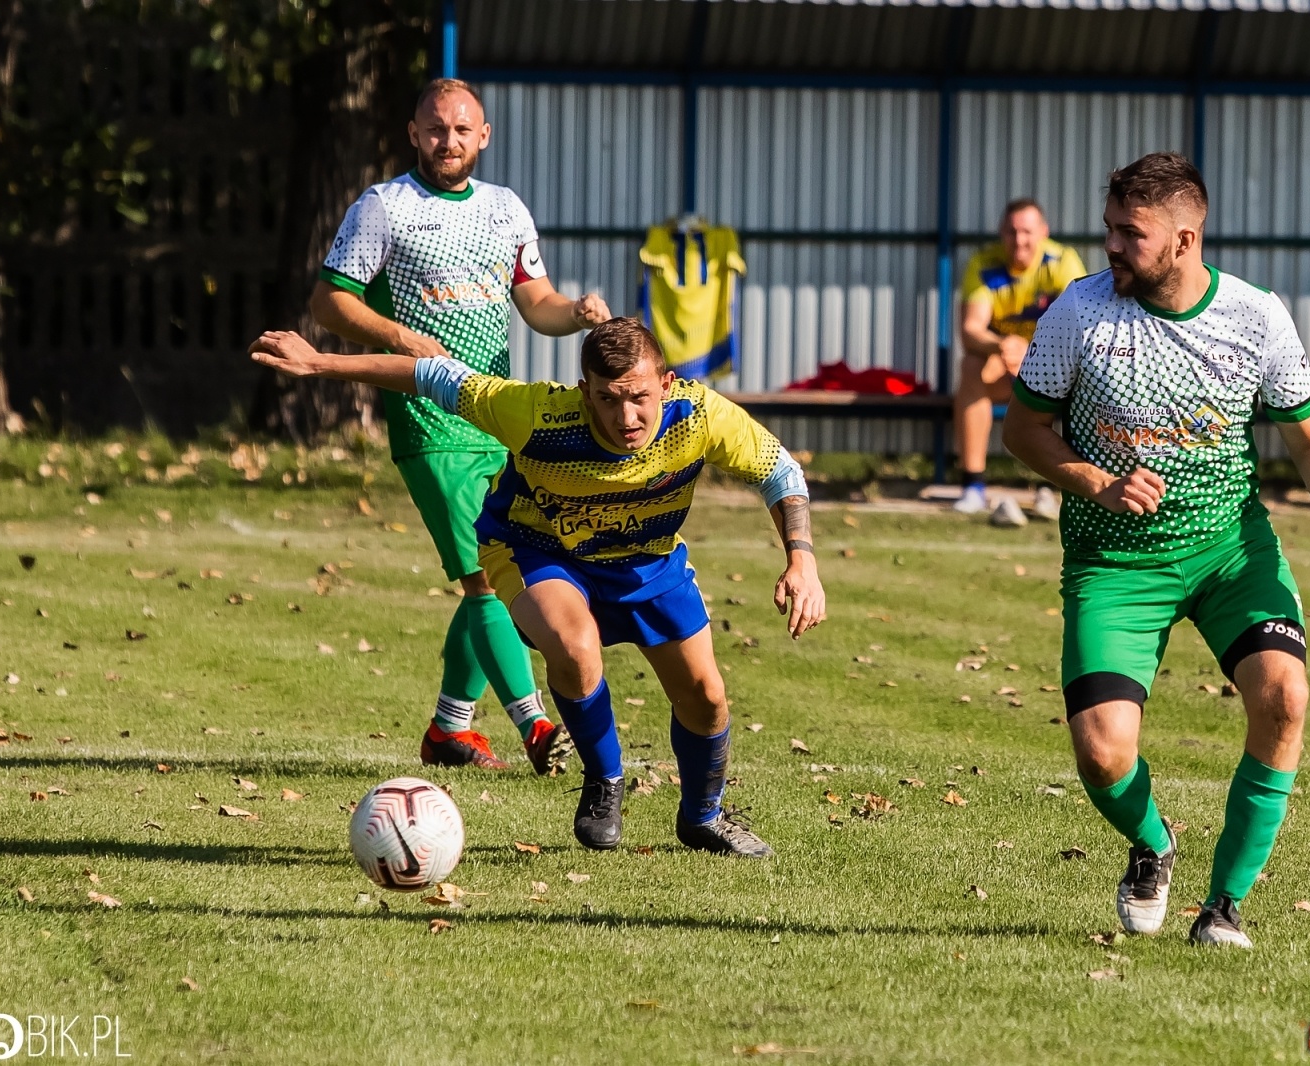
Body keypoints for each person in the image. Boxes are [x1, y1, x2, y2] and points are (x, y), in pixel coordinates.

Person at [1004, 152, 1310, 949]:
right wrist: (1095, 480)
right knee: (1100, 753)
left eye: (1132, 233)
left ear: (1186, 239)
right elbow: (1021, 430)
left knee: (1284, 698)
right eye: (1111, 228)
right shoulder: (1076, 315)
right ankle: (1153, 843)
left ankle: (1223, 907)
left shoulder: (1257, 316)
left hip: (1229, 550)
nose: (1112, 246)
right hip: (1115, 563)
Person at [250, 318, 827, 858]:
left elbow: (780, 472)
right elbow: (430, 375)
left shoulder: (700, 415)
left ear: (667, 384)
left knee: (706, 697)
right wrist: (321, 363)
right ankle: (604, 780)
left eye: (639, 397)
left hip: (646, 561)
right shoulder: (535, 413)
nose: (626, 416)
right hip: (537, 550)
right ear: (584, 391)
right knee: (575, 647)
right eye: (608, 397)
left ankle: (703, 816)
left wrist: (801, 561)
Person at [309, 78, 611, 774]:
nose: (449, 141)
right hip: (429, 419)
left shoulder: (505, 211)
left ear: (485, 136)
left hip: (496, 416)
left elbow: (536, 302)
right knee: (486, 579)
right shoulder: (384, 208)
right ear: (413, 134)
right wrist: (402, 338)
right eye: (436, 129)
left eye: (462, 130)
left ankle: (450, 730)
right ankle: (536, 725)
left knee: (502, 567)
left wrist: (578, 314)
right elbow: (328, 303)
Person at [954, 198, 1086, 525]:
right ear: (1001, 233)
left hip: (1054, 365)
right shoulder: (985, 264)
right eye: (1012, 232)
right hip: (1004, 364)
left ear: (1043, 232)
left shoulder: (1061, 261)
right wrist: (1004, 345)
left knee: (1090, 375)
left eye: (1027, 232)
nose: (1020, 240)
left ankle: (1070, 485)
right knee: (971, 367)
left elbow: (1083, 324)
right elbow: (971, 330)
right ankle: (973, 486)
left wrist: (1036, 349)